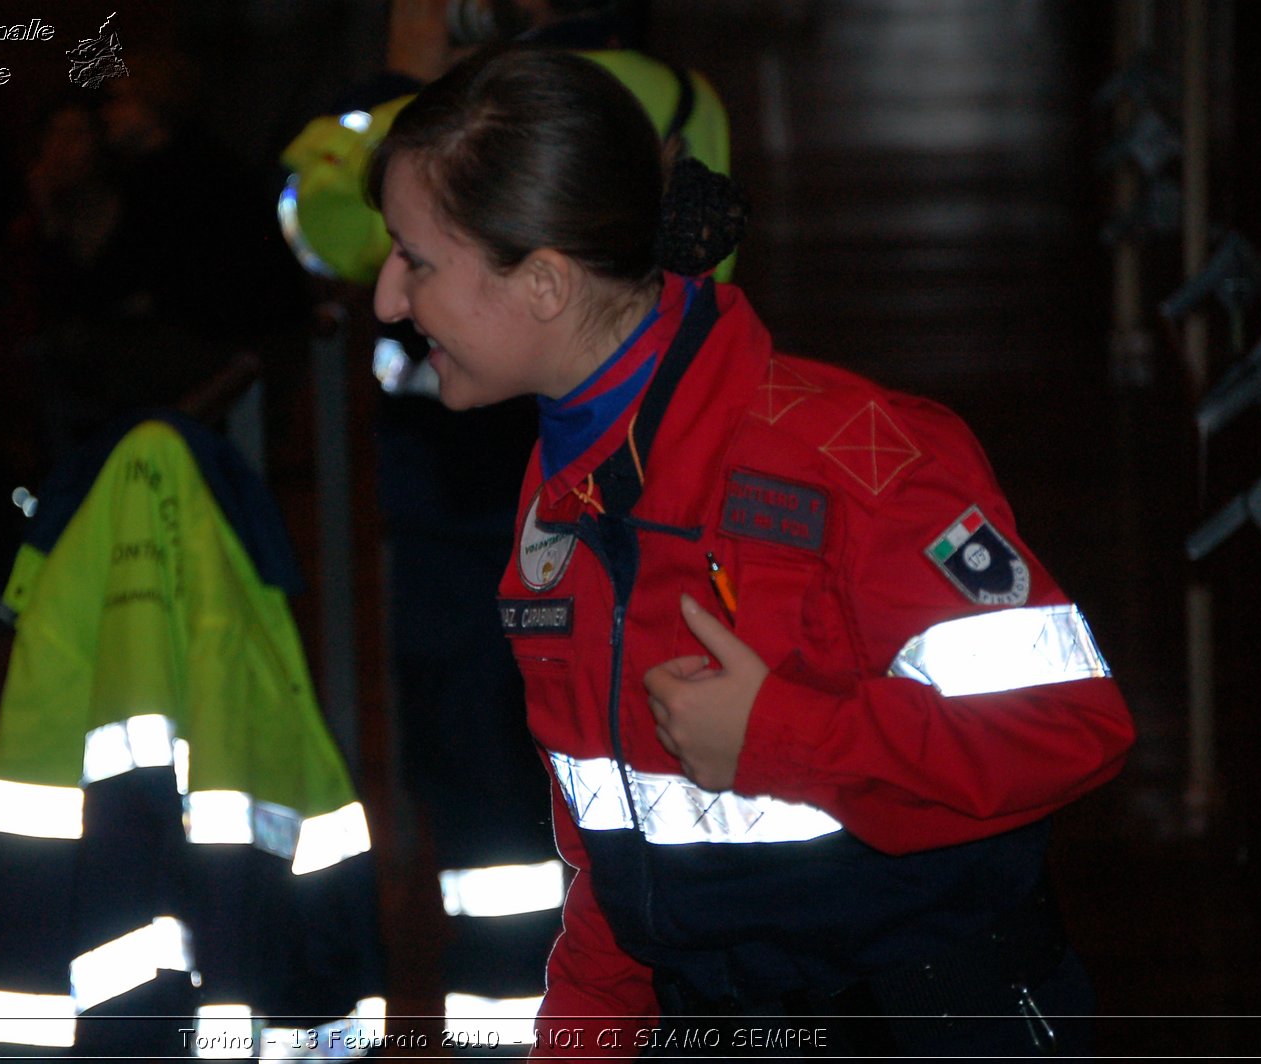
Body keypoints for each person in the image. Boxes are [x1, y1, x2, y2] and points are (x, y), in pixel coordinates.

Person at [368, 45, 1135, 1059]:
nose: (385, 299)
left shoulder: (849, 460)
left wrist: (779, 731)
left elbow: (1071, 726)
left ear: (543, 283)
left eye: (414, 259)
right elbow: (615, 856)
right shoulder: (563, 495)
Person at [278, 1, 736, 1043]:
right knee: (542, 782)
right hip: (540, 461)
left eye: (420, 263)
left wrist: (397, 82)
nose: (395, 292)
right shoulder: (668, 95)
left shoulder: (464, 124)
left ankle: (520, 1011)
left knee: (521, 776)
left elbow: (322, 226)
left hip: (515, 476)